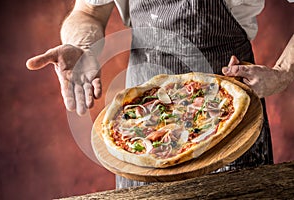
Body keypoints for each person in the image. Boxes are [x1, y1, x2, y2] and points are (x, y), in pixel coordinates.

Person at [26, 0, 294, 189]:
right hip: (140, 117)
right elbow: (88, 12)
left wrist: (282, 72)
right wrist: (82, 45)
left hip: (227, 110)